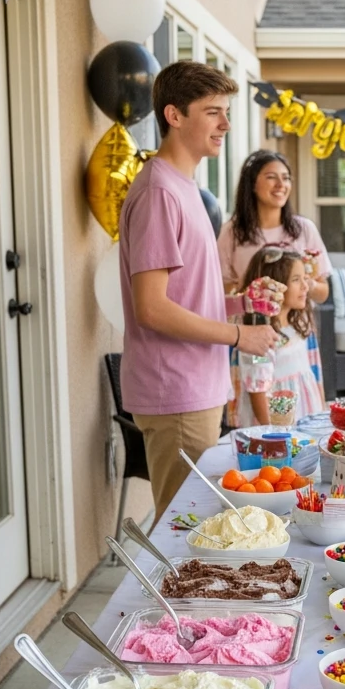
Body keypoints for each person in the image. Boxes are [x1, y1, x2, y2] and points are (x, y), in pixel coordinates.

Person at [118, 61, 275, 523]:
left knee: (202, 527)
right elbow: (151, 307)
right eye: (213, 112)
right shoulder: (160, 193)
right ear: (174, 115)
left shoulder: (184, 186)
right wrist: (237, 335)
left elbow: (184, 295)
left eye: (226, 111)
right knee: (186, 531)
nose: (225, 123)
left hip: (199, 389)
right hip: (177, 394)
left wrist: (241, 304)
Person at [218, 148, 332, 426]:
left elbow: (323, 290)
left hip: (297, 331)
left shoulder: (302, 229)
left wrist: (304, 282)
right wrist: (251, 289)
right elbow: (220, 290)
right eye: (271, 177)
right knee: (258, 393)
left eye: (286, 177)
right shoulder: (233, 232)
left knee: (303, 395)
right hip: (253, 334)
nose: (281, 185)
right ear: (252, 184)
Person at [234, 248, 326, 427]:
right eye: (296, 280)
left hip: (306, 417)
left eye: (304, 278)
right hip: (279, 427)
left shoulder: (298, 324)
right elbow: (257, 390)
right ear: (274, 284)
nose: (305, 286)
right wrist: (276, 435)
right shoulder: (258, 338)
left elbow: (312, 376)